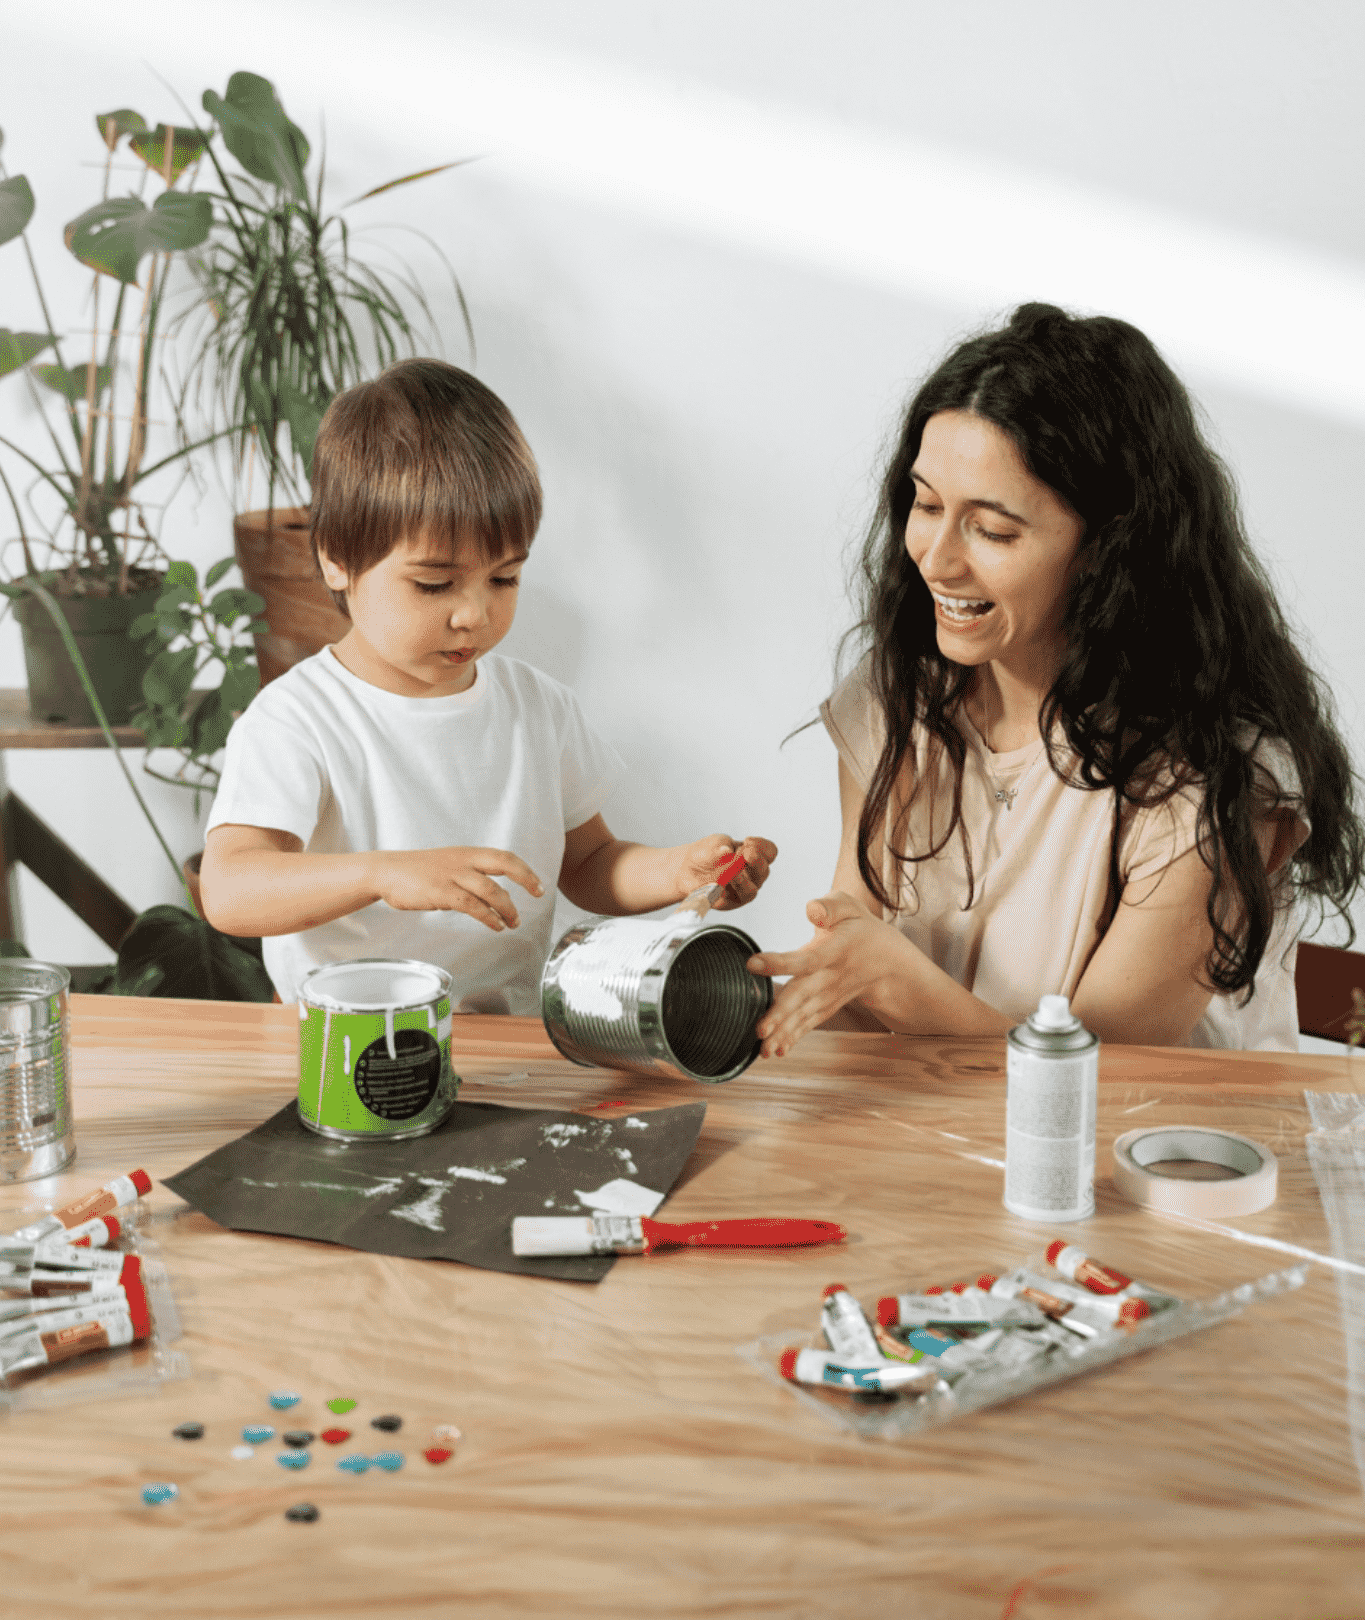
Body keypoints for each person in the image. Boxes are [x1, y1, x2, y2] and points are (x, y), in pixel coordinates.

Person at [748, 303, 1362, 1056]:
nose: (936, 559)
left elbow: (1114, 1070)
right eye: (927, 503)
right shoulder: (896, 700)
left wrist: (905, 989)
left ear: (1110, 548)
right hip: (938, 1132)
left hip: (1160, 1157)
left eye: (992, 529)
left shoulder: (1212, 776)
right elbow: (845, 975)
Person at [200, 359, 775, 1007]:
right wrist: (383, 873)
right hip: (345, 1041)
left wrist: (676, 871)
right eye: (433, 583)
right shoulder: (298, 719)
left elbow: (588, 867)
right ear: (335, 557)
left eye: (503, 578)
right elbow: (230, 890)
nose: (473, 612)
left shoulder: (538, 708)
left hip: (509, 1042)